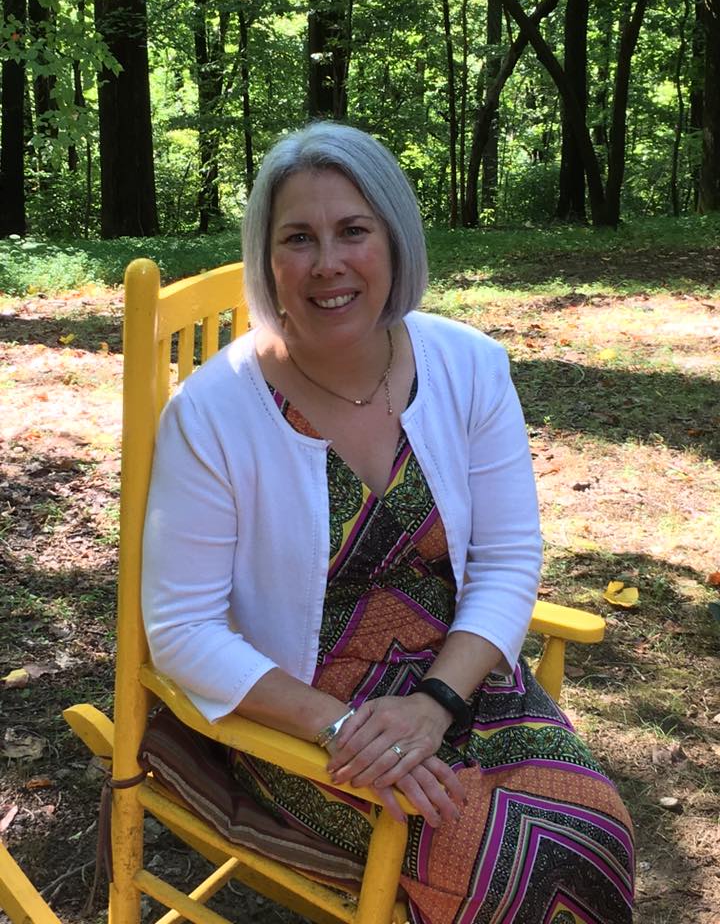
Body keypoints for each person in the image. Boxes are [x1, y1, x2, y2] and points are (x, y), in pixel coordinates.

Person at [141, 122, 635, 924]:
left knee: (594, 832)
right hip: (298, 707)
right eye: (298, 238)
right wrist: (340, 728)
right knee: (492, 867)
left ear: (395, 242)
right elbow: (182, 628)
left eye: (353, 231)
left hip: (457, 675)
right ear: (268, 261)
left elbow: (509, 560)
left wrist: (435, 702)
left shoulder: (469, 365)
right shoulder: (214, 410)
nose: (328, 263)